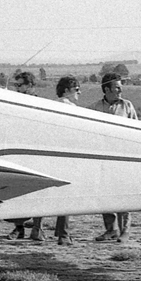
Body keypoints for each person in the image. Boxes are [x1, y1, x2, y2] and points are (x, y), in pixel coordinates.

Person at [90, 73, 138, 243]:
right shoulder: (94, 108)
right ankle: (111, 230)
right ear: (106, 89)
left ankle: (125, 231)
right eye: (117, 87)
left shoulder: (127, 106)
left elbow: (136, 132)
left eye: (120, 87)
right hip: (102, 158)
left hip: (122, 158)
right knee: (105, 194)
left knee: (123, 194)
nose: (120, 90)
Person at [36, 76, 81, 245]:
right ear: (67, 90)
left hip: (49, 156)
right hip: (65, 157)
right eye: (76, 89)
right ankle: (63, 233)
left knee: (43, 193)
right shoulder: (71, 108)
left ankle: (37, 229)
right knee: (66, 196)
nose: (79, 93)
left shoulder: (50, 106)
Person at [4, 71, 41, 240]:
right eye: (16, 85)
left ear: (30, 86)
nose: (17, 89)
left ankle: (38, 228)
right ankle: (19, 227)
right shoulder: (14, 103)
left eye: (20, 85)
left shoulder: (39, 104)